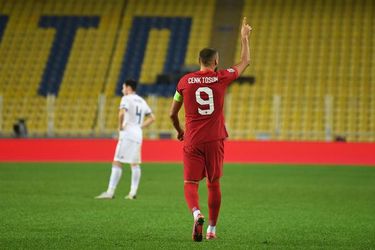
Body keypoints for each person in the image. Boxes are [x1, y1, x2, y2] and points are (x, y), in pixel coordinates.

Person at [169, 17, 252, 241]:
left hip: (192, 140)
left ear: (199, 61)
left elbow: (171, 113)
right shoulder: (220, 78)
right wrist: (244, 38)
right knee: (213, 183)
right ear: (216, 61)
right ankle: (212, 230)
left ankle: (196, 214)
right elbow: (245, 63)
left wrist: (179, 131)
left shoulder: (184, 82)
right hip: (215, 139)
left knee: (190, 183)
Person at [96, 79, 155, 200]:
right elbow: (152, 118)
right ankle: (132, 192)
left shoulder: (126, 99)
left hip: (128, 133)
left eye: (123, 87)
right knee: (135, 163)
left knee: (117, 161)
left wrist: (120, 128)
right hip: (138, 134)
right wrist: (140, 126)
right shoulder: (141, 100)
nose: (122, 90)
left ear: (128, 88)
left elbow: (121, 114)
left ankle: (110, 191)